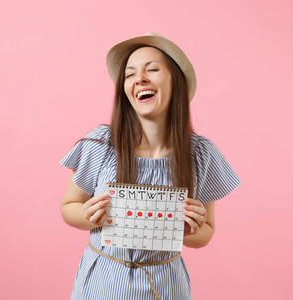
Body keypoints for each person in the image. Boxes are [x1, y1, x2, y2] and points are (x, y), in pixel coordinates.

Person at [60, 33, 241, 300]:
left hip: (165, 286)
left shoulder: (201, 154)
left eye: (152, 69)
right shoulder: (101, 143)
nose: (139, 79)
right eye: (130, 74)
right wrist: (87, 214)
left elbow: (206, 233)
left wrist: (190, 229)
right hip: (102, 283)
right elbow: (68, 207)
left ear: (175, 81)